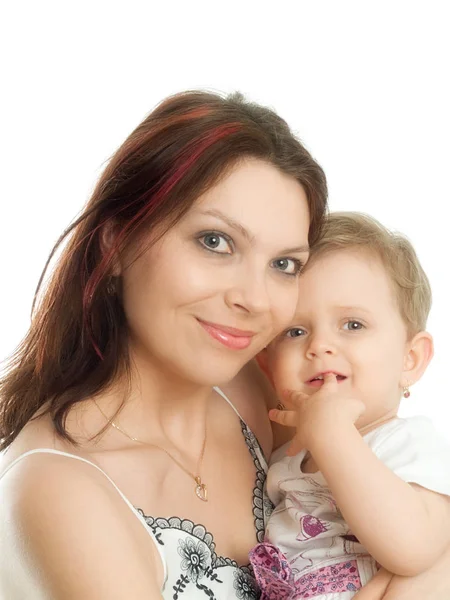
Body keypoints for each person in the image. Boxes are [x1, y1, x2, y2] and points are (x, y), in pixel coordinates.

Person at [0, 90, 326, 599]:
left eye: (284, 264)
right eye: (215, 241)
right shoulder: (57, 489)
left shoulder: (253, 394)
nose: (255, 300)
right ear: (116, 246)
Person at [253, 212, 450, 599]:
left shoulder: (408, 443)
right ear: (267, 363)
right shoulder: (281, 460)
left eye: (353, 325)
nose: (319, 345)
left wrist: (333, 434)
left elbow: (415, 550)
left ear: (410, 359)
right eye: (295, 331)